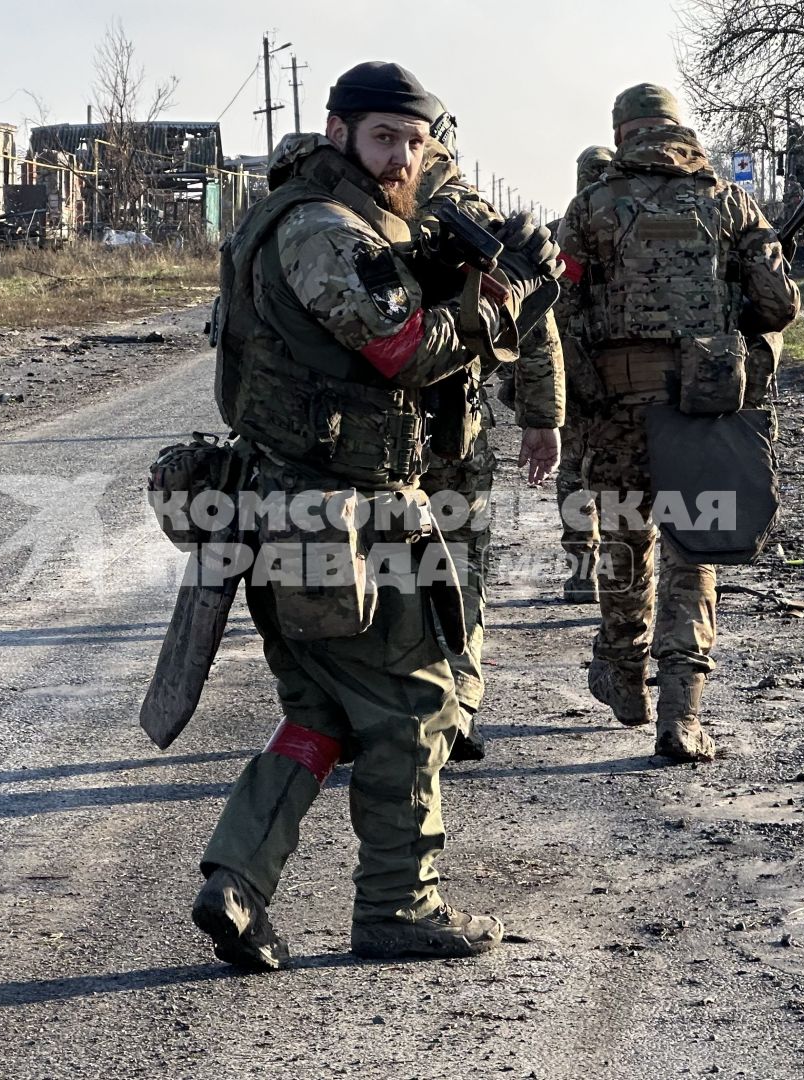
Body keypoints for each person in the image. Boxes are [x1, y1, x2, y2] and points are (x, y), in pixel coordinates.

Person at [194, 61, 562, 970]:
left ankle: (236, 883)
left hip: (302, 508)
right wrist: (494, 302)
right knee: (417, 708)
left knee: (323, 710)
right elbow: (399, 350)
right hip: (342, 513)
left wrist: (441, 268)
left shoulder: (336, 219)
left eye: (415, 141)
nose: (401, 158)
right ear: (339, 133)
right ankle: (400, 907)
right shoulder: (320, 229)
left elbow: (363, 322)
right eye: (383, 137)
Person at [553, 84, 798, 763]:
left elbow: (557, 309)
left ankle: (624, 674)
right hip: (702, 401)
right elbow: (778, 302)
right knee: (695, 549)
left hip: (616, 410)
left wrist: (580, 391)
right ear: (677, 129)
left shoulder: (591, 207)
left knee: (625, 544)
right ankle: (682, 714)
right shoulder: (727, 200)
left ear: (623, 132)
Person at [414, 123, 565, 762]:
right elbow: (534, 322)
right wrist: (542, 418)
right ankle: (459, 703)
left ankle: (381, 709)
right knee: (458, 563)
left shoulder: (339, 210)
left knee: (362, 567)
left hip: (352, 433)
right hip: (452, 427)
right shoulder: (472, 212)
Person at [553, 146, 614, 605]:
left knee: (573, 471)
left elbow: (555, 304)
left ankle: (581, 572)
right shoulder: (628, 230)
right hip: (616, 369)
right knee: (617, 469)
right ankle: (619, 567)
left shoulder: (565, 234)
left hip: (574, 366)